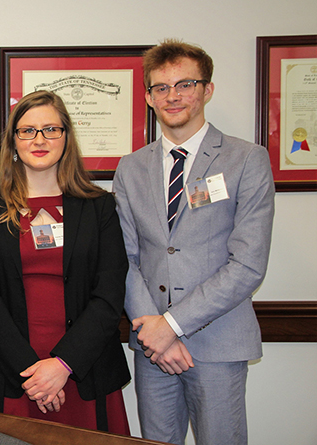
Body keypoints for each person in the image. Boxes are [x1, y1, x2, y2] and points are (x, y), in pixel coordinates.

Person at [113, 39, 275, 445]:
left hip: (219, 342)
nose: (173, 96)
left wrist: (172, 325)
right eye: (161, 87)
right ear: (149, 97)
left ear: (208, 89)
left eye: (185, 84)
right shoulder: (130, 168)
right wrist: (156, 332)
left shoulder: (247, 160)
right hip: (152, 350)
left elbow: (248, 265)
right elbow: (126, 259)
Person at [0, 90, 131, 445]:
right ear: (13, 142)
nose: (39, 140)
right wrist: (32, 373)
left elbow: (109, 294)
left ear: (67, 137)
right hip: (9, 370)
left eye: (51, 129)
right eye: (27, 131)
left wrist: (62, 365)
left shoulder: (99, 207)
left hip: (83, 371)